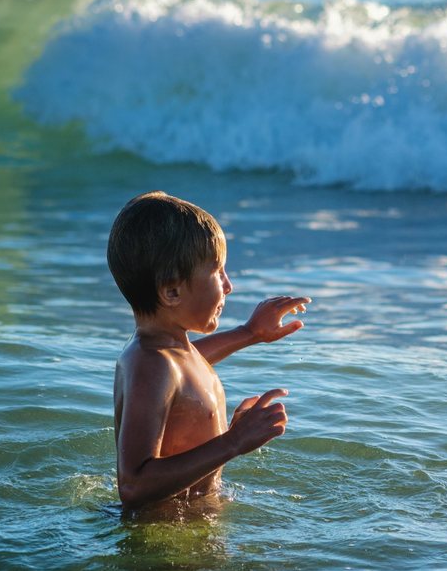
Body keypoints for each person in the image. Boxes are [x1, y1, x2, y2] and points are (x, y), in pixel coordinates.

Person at [106, 191, 310, 511]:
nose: (228, 286)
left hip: (188, 527)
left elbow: (191, 364)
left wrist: (250, 333)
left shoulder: (169, 352)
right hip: (164, 546)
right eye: (217, 272)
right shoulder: (150, 364)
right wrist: (233, 441)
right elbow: (133, 485)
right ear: (172, 291)